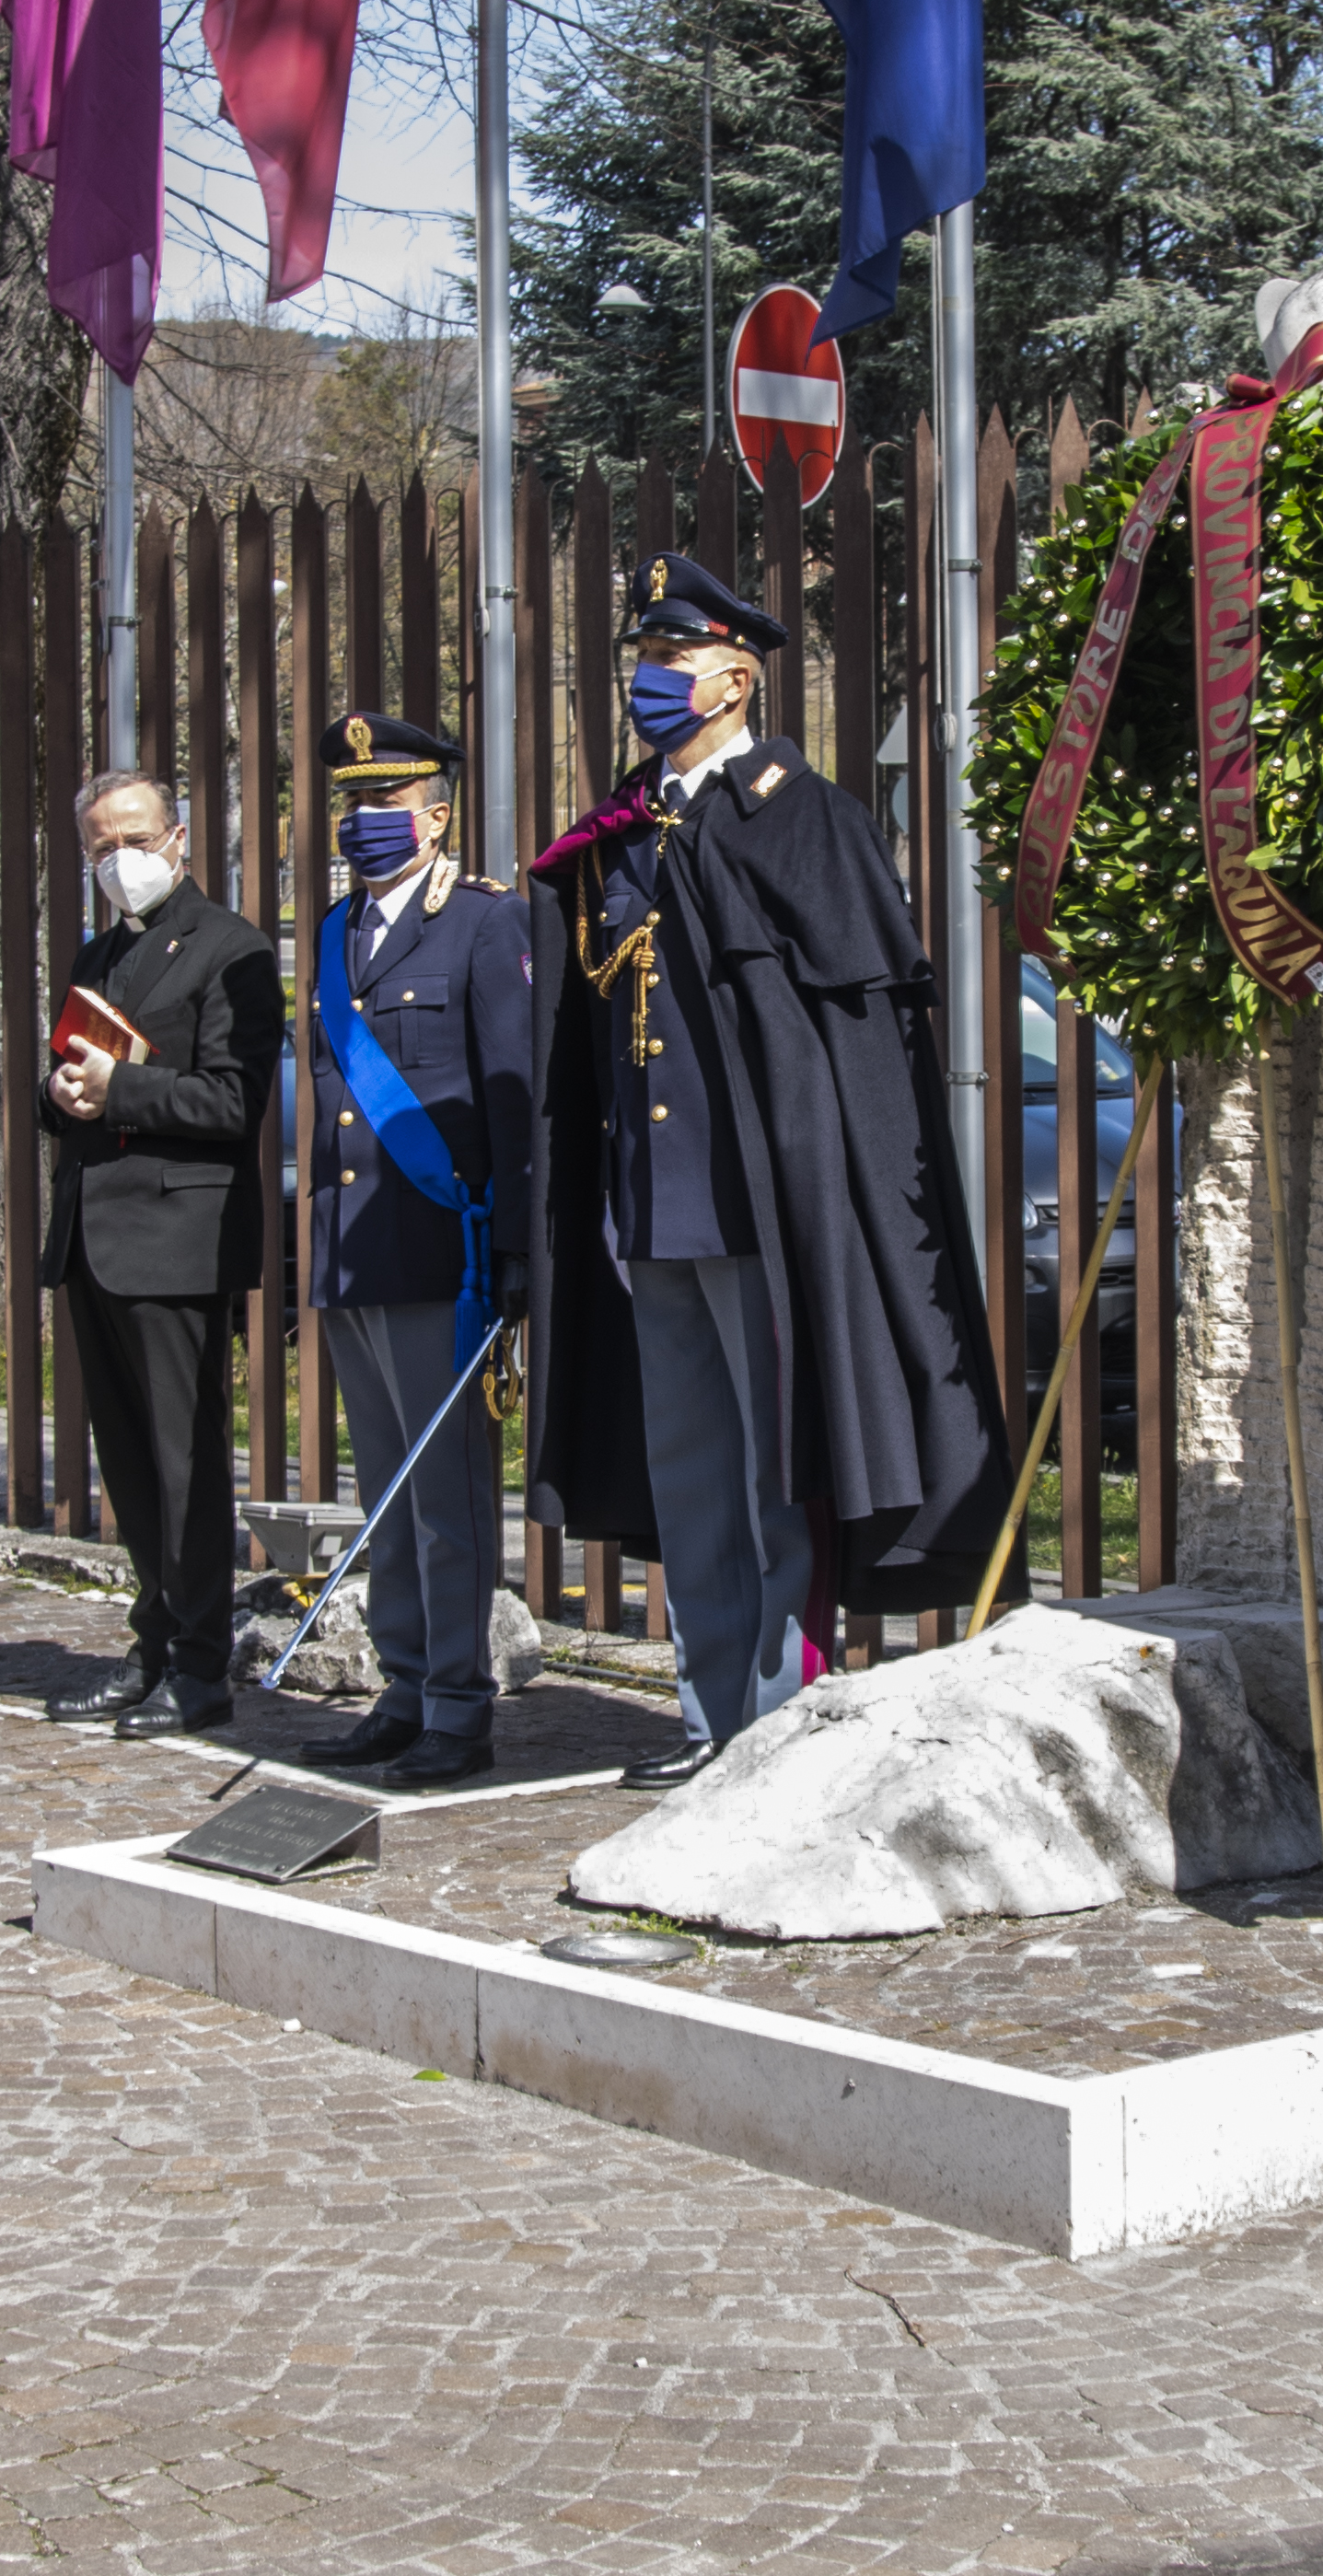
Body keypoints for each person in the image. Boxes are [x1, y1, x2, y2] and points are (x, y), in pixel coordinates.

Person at [524, 551, 1008, 1784]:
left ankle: (777, 1716)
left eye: (669, 661)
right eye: (640, 660)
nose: (647, 680)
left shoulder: (804, 814)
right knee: (688, 1470)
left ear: (736, 676)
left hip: (758, 1202)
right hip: (650, 1196)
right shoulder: (623, 830)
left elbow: (853, 1040)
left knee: (774, 1469)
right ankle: (707, 1715)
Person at [299, 712, 533, 1788]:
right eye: (354, 805)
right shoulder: (338, 928)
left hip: (443, 1252)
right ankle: (400, 1685)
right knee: (383, 1488)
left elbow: (512, 1100)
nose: (365, 823)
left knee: (448, 1500)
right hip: (353, 1252)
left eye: (387, 805)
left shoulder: (485, 925)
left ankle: (456, 1701)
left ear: (438, 815)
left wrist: (520, 1260)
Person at [35, 770, 286, 1740]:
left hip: (177, 1242)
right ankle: (152, 1639)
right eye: (101, 849)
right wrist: (59, 1091)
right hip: (96, 1237)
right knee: (129, 1465)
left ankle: (200, 1663)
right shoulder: (99, 950)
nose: (120, 862)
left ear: (179, 839)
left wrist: (123, 1085)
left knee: (185, 1463)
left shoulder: (231, 949)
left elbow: (232, 1102)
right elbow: (64, 1075)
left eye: (135, 840)